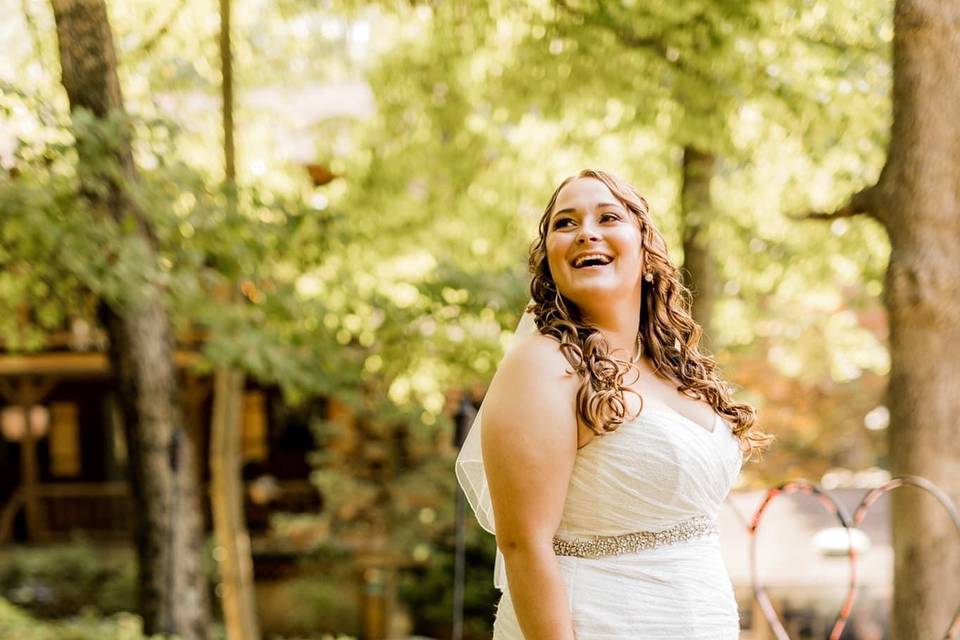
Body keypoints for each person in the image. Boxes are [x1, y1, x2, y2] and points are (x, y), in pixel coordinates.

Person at [455, 169, 773, 639]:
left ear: (646, 252)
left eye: (608, 217)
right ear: (550, 263)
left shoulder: (676, 369)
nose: (585, 232)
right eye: (565, 224)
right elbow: (524, 544)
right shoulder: (544, 366)